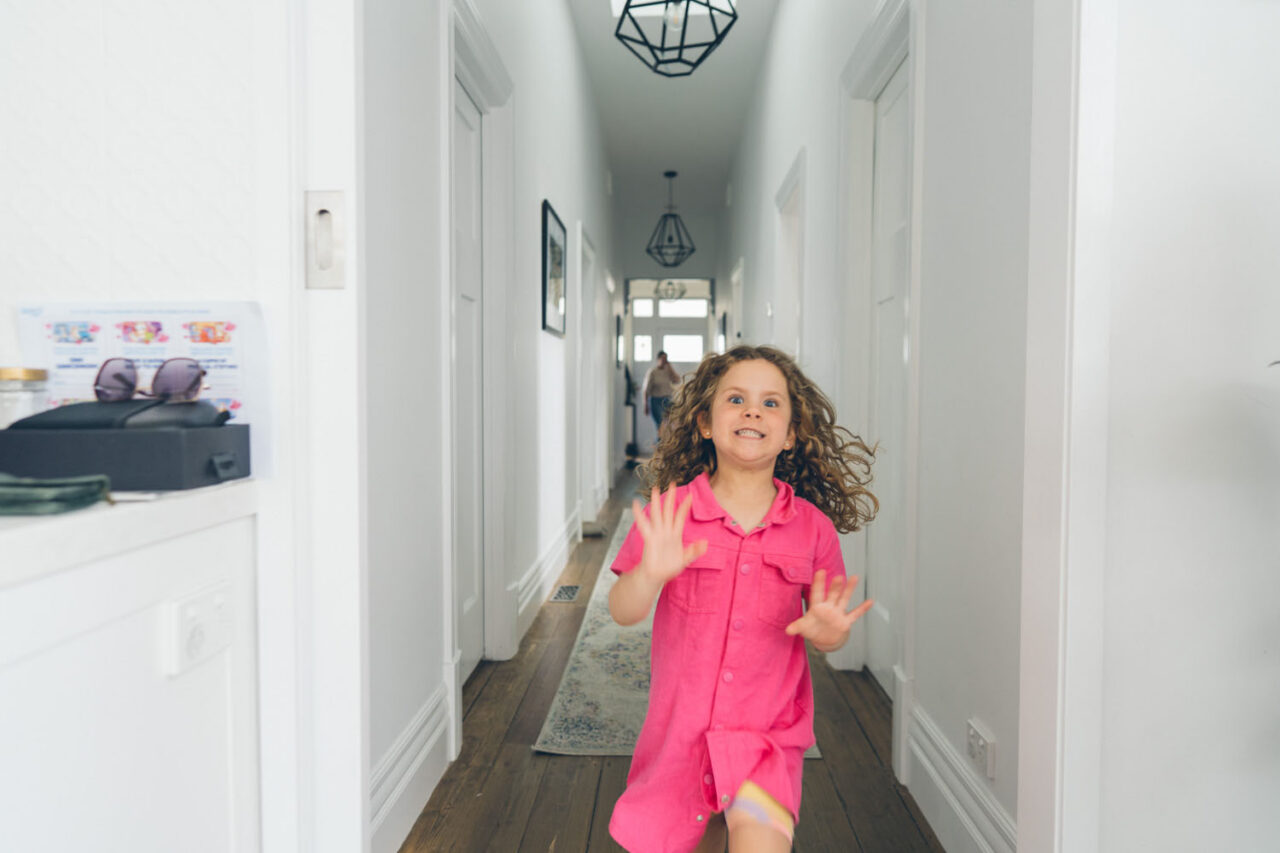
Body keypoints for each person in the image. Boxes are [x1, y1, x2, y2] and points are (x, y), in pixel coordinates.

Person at [607, 344, 878, 853]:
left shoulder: (813, 530)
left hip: (766, 745)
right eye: (736, 399)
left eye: (771, 403)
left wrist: (830, 635)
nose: (753, 411)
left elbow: (828, 634)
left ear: (791, 433)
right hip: (677, 743)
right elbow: (622, 610)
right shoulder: (671, 513)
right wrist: (648, 574)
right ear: (705, 422)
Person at [642, 350, 682, 432]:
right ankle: (660, 439)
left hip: (668, 399)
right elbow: (646, 390)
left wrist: (670, 367)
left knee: (671, 424)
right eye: (662, 359)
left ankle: (667, 439)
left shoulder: (668, 371)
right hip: (655, 400)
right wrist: (645, 404)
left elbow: (678, 380)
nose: (664, 361)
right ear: (658, 359)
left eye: (666, 359)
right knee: (660, 425)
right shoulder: (652, 372)